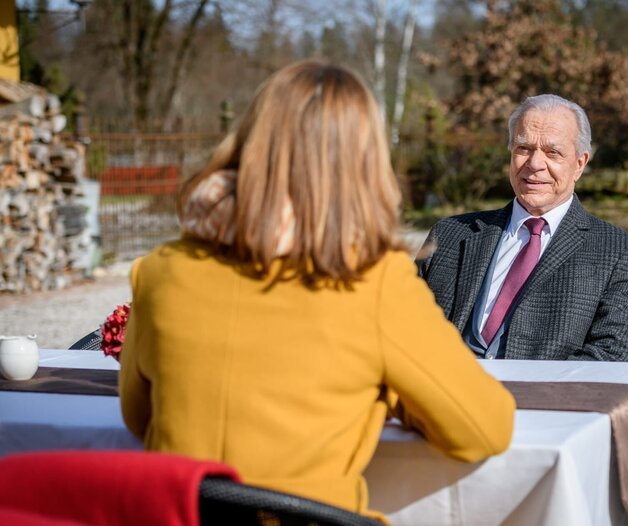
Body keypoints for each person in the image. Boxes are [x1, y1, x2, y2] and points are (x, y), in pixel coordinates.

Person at [118, 60, 515, 521]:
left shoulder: (163, 271)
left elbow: (139, 416)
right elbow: (485, 428)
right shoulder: (374, 281)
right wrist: (390, 396)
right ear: (364, 163)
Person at [417, 94, 628, 362]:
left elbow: (614, 353)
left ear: (580, 164)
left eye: (553, 152)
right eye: (523, 148)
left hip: (540, 400)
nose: (535, 164)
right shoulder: (449, 235)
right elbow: (399, 323)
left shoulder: (616, 251)